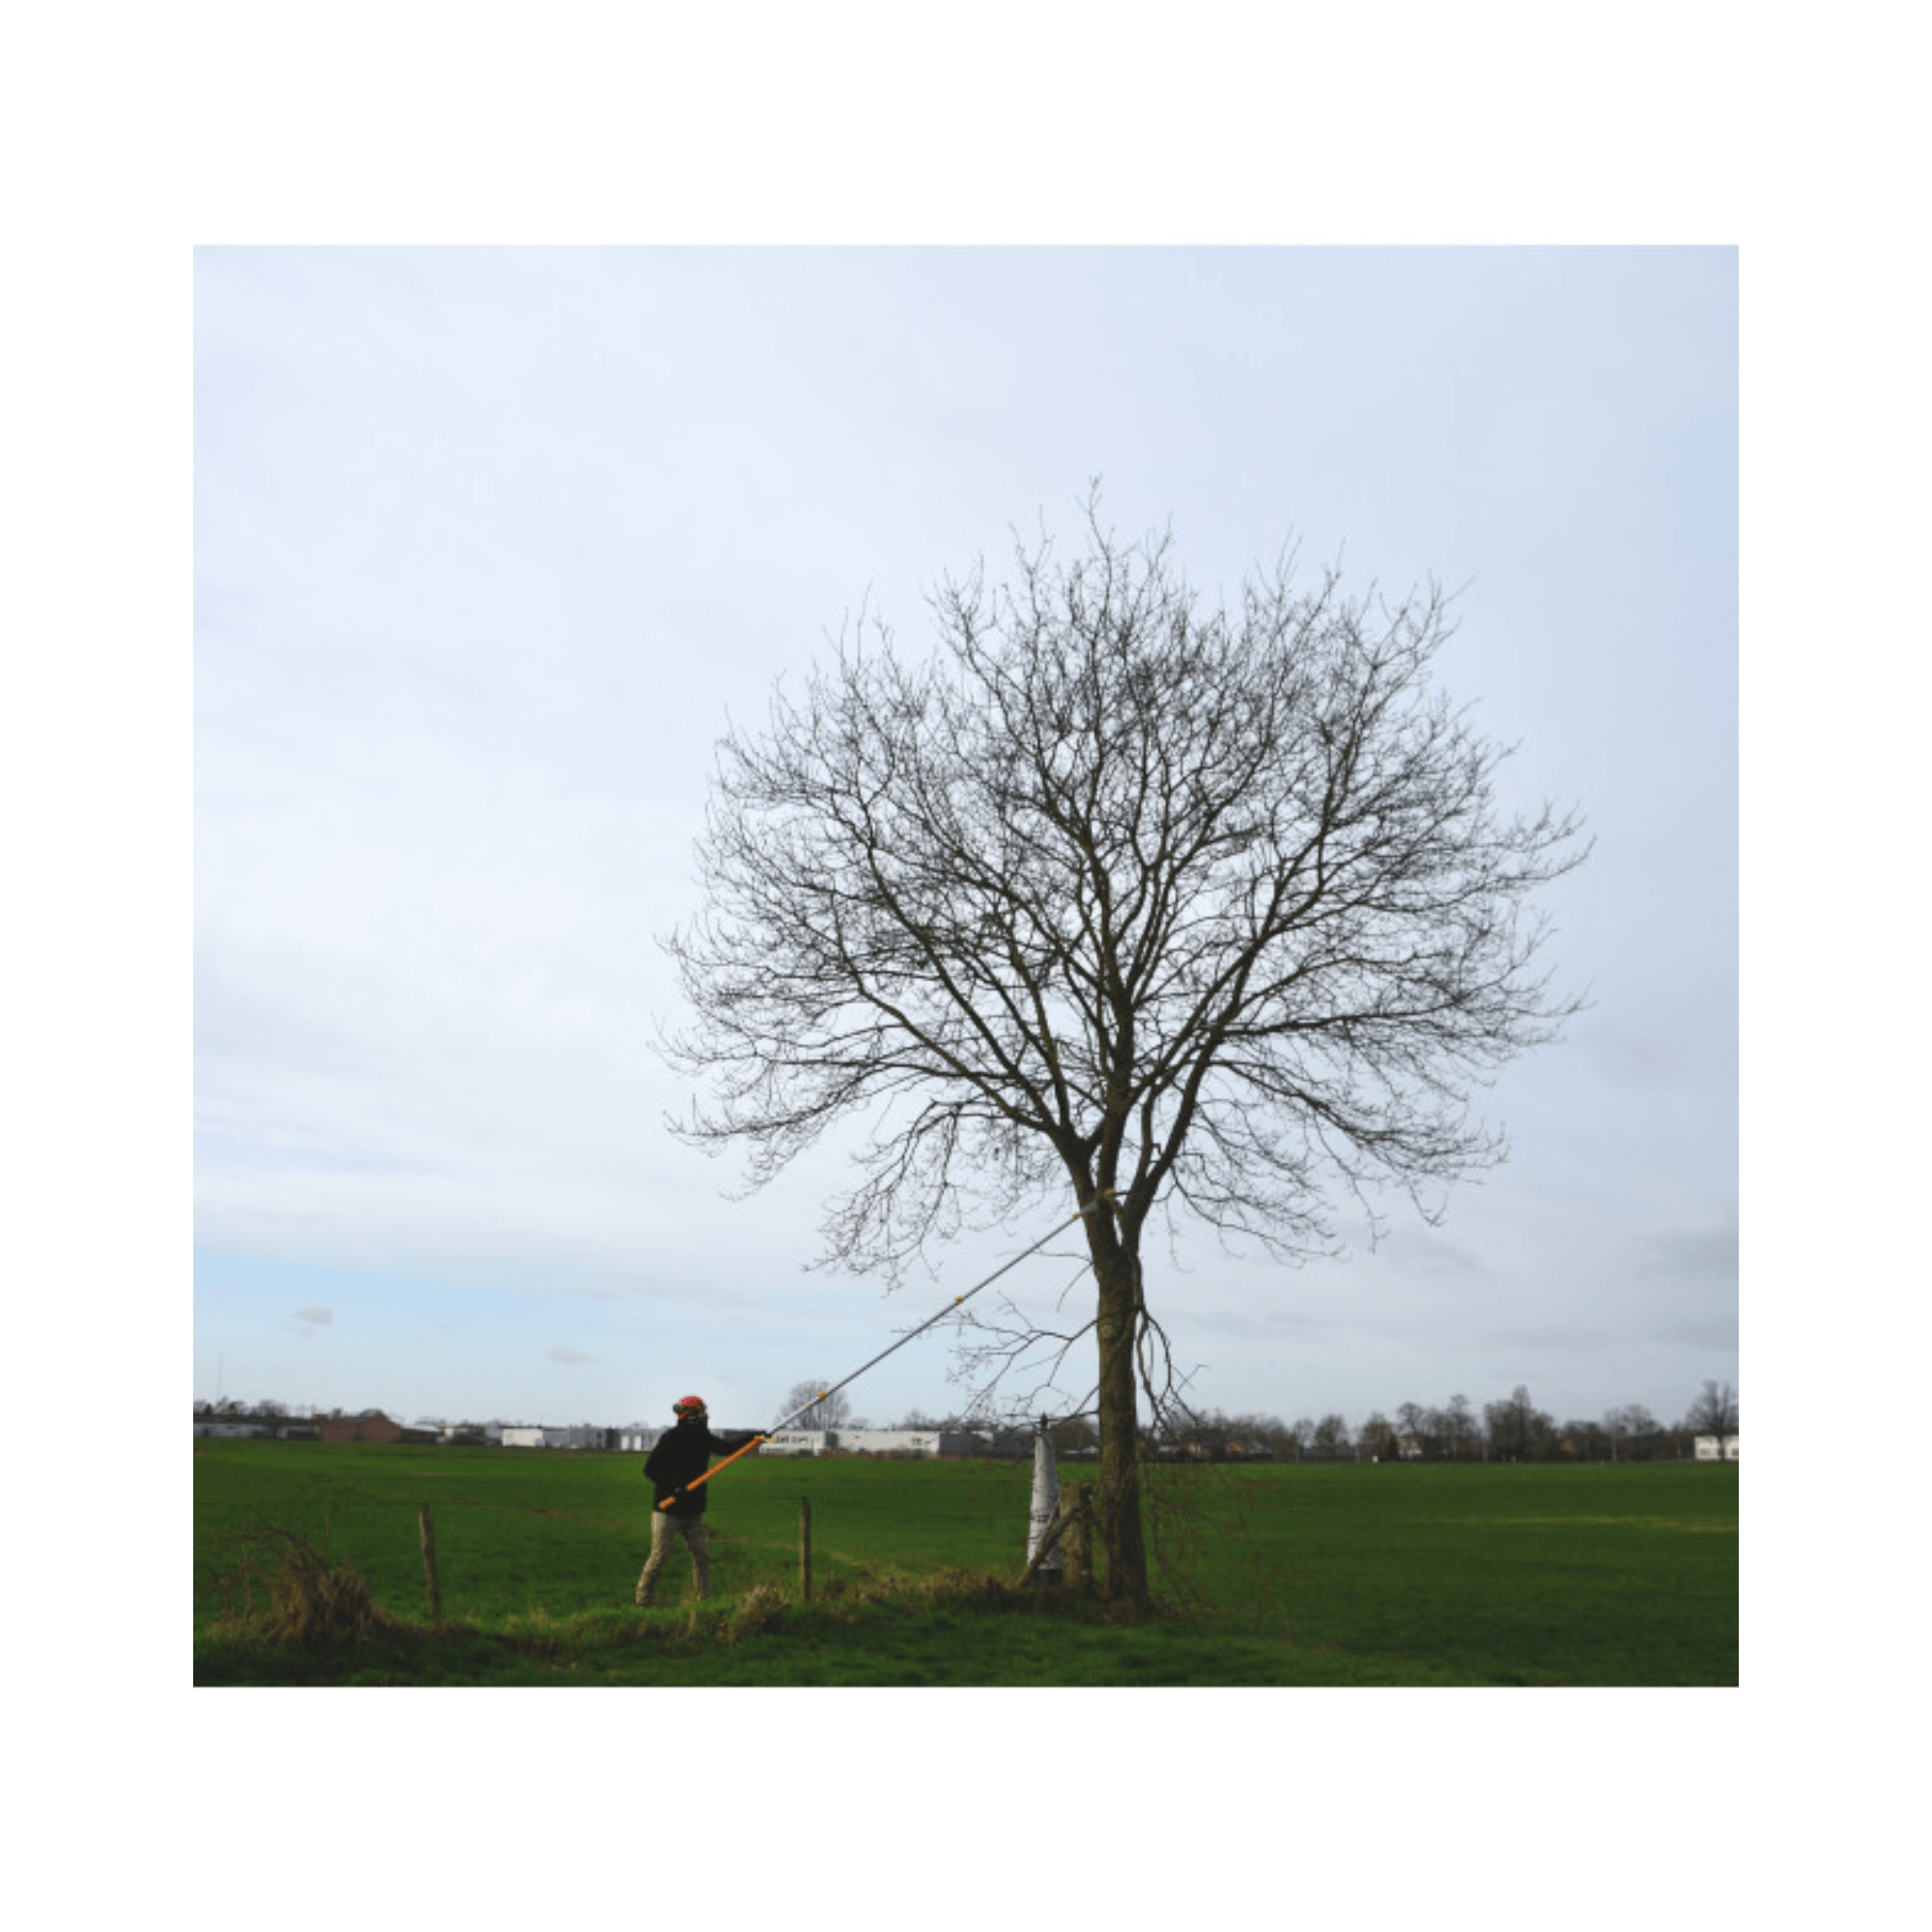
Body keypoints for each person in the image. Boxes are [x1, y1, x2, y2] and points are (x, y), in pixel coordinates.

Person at [636, 1395, 761, 1605]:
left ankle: (704, 1601)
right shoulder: (671, 1438)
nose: (707, 1415)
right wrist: (675, 1487)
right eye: (703, 1411)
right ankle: (642, 1600)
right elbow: (651, 1469)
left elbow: (727, 1449)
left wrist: (754, 1437)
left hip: (693, 1513)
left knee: (701, 1558)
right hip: (667, 1511)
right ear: (692, 1415)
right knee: (659, 1557)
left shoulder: (703, 1437)